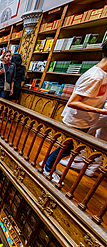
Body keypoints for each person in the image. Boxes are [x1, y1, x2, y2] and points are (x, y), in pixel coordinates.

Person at [42, 40, 107, 183]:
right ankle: (47, 168)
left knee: (67, 148)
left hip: (86, 120)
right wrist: (99, 110)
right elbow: (73, 102)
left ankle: (49, 165)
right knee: (65, 148)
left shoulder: (102, 74)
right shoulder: (95, 76)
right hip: (77, 120)